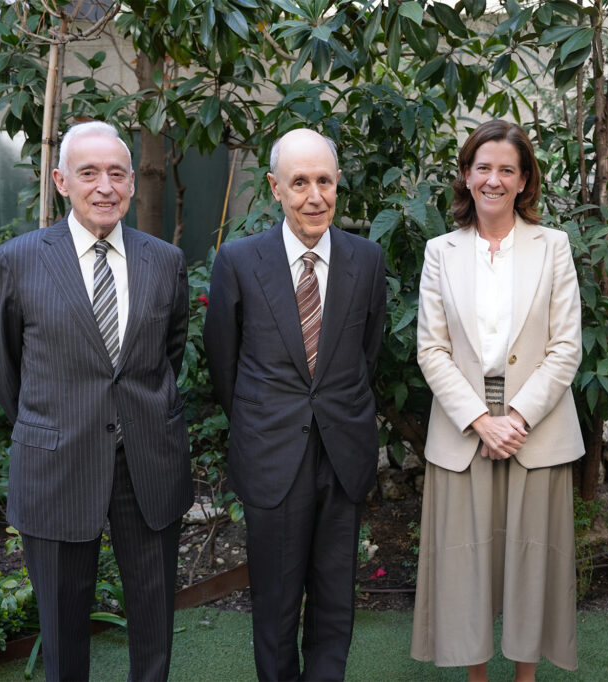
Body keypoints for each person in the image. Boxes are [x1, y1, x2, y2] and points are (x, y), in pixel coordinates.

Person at [0, 120, 192, 681]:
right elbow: (1, 365)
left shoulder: (165, 260)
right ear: (61, 181)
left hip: (148, 461)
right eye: (89, 173)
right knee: (62, 625)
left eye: (117, 174)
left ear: (132, 183)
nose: (105, 186)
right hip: (57, 463)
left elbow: (168, 354)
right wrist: (52, 423)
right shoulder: (16, 260)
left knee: (154, 619)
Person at [203, 128, 386, 682]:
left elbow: (366, 352)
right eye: (299, 182)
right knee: (276, 605)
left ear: (338, 184)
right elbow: (224, 363)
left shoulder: (366, 259)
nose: (314, 196)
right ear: (275, 188)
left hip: (343, 454)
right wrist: (264, 422)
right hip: (271, 456)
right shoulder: (238, 260)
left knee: (335, 602)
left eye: (324, 181)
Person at [410, 120, 584, 682]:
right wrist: (482, 420)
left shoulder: (553, 246)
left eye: (507, 169)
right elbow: (431, 349)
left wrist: (516, 417)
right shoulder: (440, 252)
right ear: (466, 175)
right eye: (483, 167)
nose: (494, 179)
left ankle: (526, 677)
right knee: (467, 567)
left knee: (532, 565)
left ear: (524, 179)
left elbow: (566, 346)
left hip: (537, 430)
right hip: (465, 432)